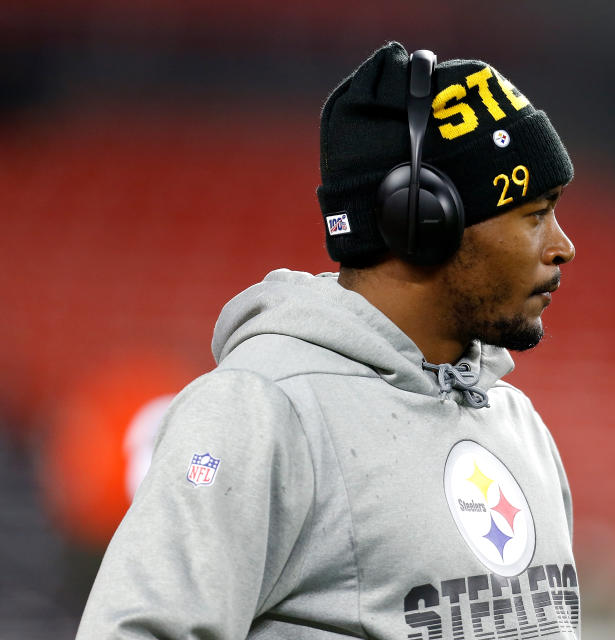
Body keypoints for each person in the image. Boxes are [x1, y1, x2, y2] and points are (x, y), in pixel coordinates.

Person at [77, 42, 580, 639]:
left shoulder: (517, 421)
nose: (561, 245)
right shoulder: (261, 409)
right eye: (534, 213)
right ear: (423, 218)